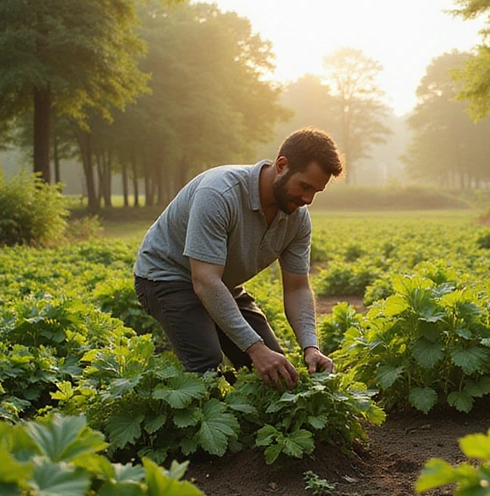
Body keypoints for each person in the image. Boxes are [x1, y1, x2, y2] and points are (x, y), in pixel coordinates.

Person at [134, 129, 343, 390]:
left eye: (316, 192)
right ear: (281, 165)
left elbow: (298, 287)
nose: (308, 199)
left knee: (278, 373)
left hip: (222, 284)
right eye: (304, 186)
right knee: (207, 367)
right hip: (168, 278)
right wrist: (255, 348)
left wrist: (310, 346)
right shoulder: (219, 193)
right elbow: (205, 282)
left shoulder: (297, 218)